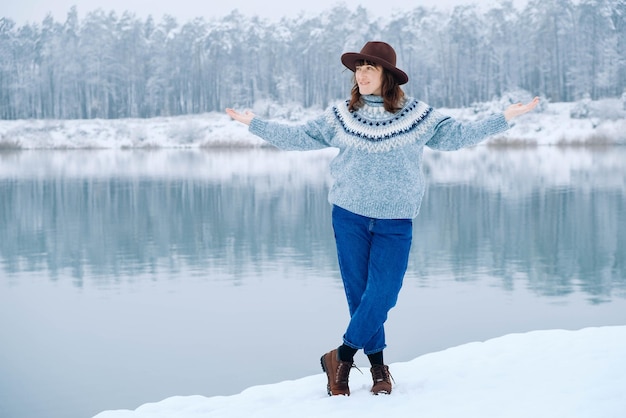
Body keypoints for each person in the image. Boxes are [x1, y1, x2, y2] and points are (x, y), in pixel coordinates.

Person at [226, 41, 539, 397]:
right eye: (357, 69)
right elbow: (300, 137)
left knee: (384, 295)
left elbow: (457, 137)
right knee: (359, 296)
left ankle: (340, 356)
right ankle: (377, 370)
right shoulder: (341, 114)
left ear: (387, 75)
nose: (361, 75)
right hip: (348, 216)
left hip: (396, 220)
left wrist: (505, 118)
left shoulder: (418, 115)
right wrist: (256, 124)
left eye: (369, 69)